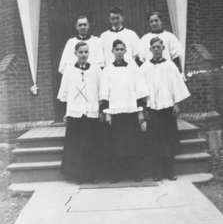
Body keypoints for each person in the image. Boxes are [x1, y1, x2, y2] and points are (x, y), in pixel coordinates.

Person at [141, 37, 190, 182]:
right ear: (150, 50)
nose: (156, 50)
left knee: (169, 139)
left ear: (163, 49)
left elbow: (176, 86)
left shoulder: (170, 66)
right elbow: (141, 89)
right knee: (154, 139)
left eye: (159, 47)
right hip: (152, 108)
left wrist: (176, 103)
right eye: (153, 47)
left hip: (168, 108)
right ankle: (157, 172)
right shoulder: (145, 68)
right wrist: (144, 108)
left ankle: (169, 171)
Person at [100, 39, 148, 182]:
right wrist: (107, 113)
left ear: (126, 51)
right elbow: (104, 92)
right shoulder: (107, 70)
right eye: (117, 49)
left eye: (122, 49)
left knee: (133, 143)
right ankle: (116, 174)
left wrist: (140, 111)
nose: (119, 52)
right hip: (115, 113)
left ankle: (135, 173)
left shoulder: (133, 69)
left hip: (131, 112)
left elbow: (139, 90)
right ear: (112, 51)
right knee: (116, 144)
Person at [57, 41, 101, 183]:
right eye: (80, 52)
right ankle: (77, 175)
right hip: (75, 113)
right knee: (76, 145)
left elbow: (101, 90)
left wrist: (100, 109)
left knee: (91, 144)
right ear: (75, 53)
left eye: (86, 52)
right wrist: (66, 113)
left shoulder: (95, 69)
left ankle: (92, 175)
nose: (83, 55)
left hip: (91, 112)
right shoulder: (69, 70)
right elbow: (64, 93)